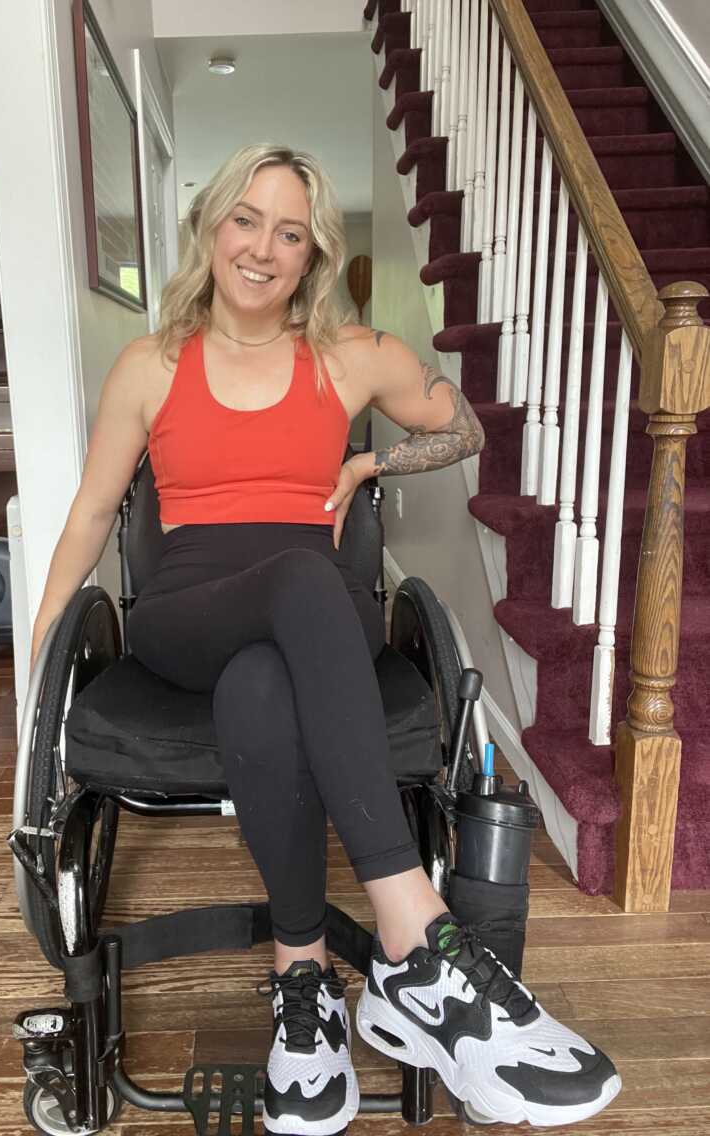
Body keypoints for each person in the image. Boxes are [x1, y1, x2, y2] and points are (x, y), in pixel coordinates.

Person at [30, 144, 621, 1133]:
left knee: (264, 683)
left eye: (290, 232)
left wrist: (376, 462)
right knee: (303, 581)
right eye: (245, 221)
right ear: (211, 229)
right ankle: (415, 948)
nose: (263, 248)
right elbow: (93, 515)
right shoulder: (152, 365)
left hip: (312, 616)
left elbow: (466, 427)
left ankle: (303, 991)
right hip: (186, 612)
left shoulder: (348, 353)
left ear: (313, 255)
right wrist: (45, 647)